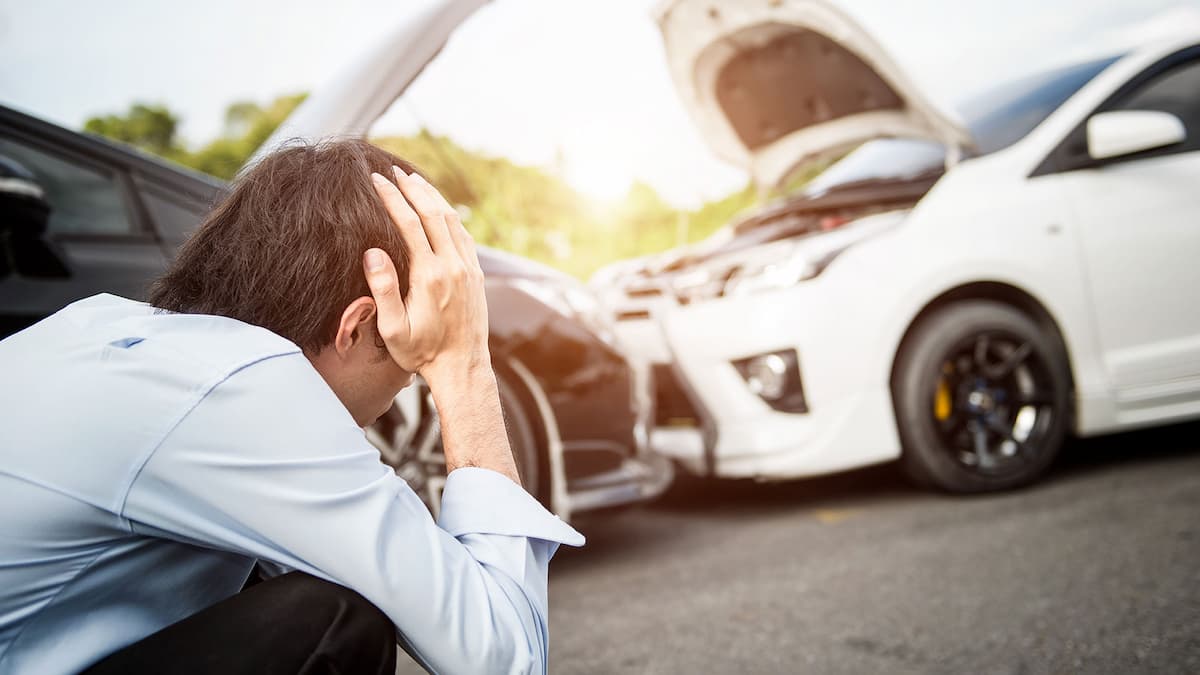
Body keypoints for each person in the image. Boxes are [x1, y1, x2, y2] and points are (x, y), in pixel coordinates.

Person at [0, 139, 584, 675]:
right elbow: (505, 658)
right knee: (331, 619)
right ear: (359, 325)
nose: (403, 390)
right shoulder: (245, 389)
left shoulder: (93, 324)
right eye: (410, 365)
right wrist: (462, 360)